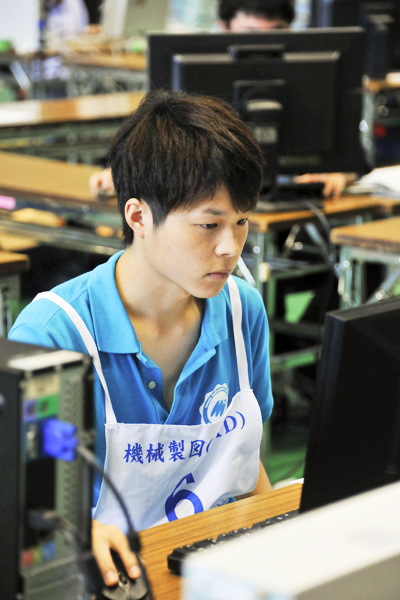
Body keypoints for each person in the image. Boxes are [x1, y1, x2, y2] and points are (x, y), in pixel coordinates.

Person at [9, 90, 274, 585]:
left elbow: (244, 462)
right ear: (138, 217)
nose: (230, 247)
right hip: (107, 583)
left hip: (216, 573)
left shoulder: (243, 312)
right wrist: (72, 533)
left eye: (241, 222)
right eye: (209, 224)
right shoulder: (52, 335)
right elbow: (21, 508)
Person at [89, 0, 359, 199]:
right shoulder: (194, 77)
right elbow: (163, 142)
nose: (263, 45)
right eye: (250, 34)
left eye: (277, 32)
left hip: (297, 206)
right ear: (223, 27)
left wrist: (341, 173)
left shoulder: (312, 74)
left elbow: (356, 159)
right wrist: (125, 174)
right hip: (207, 201)